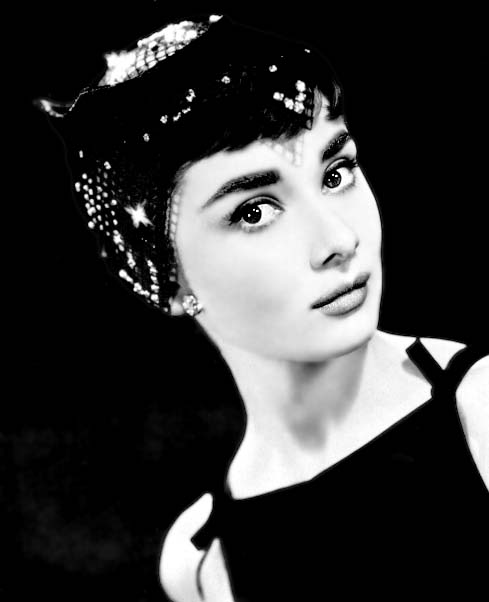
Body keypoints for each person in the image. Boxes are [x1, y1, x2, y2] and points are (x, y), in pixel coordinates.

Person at [36, 13, 488, 602]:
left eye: (336, 173)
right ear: (168, 280)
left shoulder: (481, 407)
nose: (338, 239)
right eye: (255, 211)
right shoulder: (201, 562)